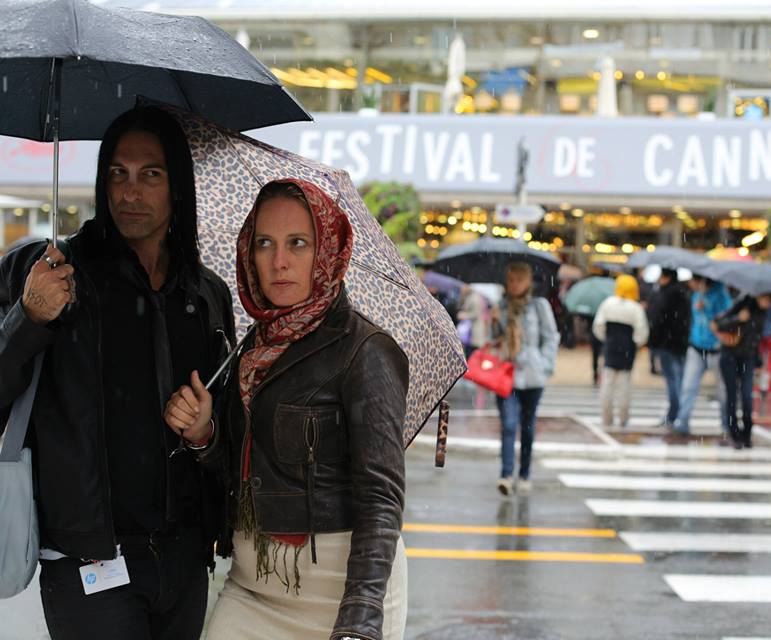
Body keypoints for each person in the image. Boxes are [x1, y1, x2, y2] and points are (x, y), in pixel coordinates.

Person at [0, 107, 235, 640]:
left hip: (182, 559)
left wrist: (206, 434)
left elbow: (233, 431)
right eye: (117, 174)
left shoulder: (205, 294)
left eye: (150, 174)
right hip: (88, 561)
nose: (131, 192)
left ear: (178, 186)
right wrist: (29, 320)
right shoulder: (49, 273)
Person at [164, 179, 409, 639]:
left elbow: (382, 496)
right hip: (251, 586)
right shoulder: (252, 348)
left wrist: (361, 613)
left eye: (298, 243)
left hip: (339, 592)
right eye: (265, 243)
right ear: (248, 254)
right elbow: (247, 470)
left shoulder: (365, 350)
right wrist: (205, 435)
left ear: (327, 251)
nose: (279, 261)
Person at [490, 262, 560, 496]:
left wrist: (546, 365)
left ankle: (525, 472)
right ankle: (506, 474)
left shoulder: (539, 307)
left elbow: (550, 337)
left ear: (529, 281)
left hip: (533, 375)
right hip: (506, 375)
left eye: (520, 279)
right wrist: (496, 321)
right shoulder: (500, 306)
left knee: (528, 428)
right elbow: (494, 341)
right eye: (511, 280)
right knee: (509, 425)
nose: (515, 284)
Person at [669, 277, 731, 443]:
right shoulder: (696, 296)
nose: (690, 285)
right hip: (696, 346)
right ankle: (682, 420)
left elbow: (727, 317)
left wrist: (709, 310)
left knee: (723, 389)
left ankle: (726, 423)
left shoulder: (721, 295)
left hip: (716, 348)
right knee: (688, 386)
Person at [711, 293, 771, 449]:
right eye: (767, 298)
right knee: (731, 396)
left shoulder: (763, 313)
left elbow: (756, 338)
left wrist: (759, 362)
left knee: (747, 396)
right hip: (730, 355)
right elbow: (718, 324)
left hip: (748, 358)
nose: (769, 303)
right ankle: (734, 434)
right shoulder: (741, 305)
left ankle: (747, 434)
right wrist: (738, 318)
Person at [592, 274, 649, 428]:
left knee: (607, 382)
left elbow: (598, 326)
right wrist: (635, 343)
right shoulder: (635, 308)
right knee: (624, 384)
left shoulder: (608, 303)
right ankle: (623, 417)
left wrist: (607, 338)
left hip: (610, 345)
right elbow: (642, 332)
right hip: (627, 348)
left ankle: (606, 416)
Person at [647, 268, 691, 429]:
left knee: (673, 380)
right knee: (679, 378)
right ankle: (679, 414)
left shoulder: (665, 295)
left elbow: (657, 318)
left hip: (667, 343)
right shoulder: (684, 294)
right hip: (680, 343)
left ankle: (675, 414)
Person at [457, 283, 490, 360]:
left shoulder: (475, 298)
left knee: (472, 355)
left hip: (474, 332)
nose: (462, 287)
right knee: (469, 353)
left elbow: (476, 313)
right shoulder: (468, 296)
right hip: (470, 332)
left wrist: (464, 315)